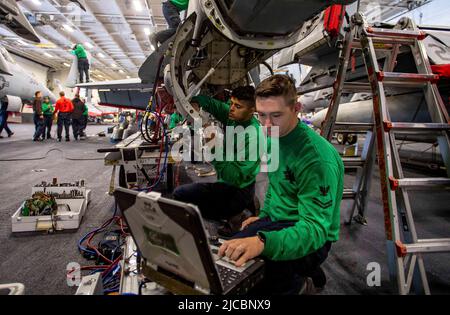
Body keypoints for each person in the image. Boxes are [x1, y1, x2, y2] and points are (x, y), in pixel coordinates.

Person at [218, 75, 344, 295]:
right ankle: (305, 272)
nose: (266, 125)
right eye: (261, 115)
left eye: (276, 115)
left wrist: (263, 242)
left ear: (296, 108)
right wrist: (264, 215)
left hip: (311, 234)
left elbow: (314, 230)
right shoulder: (273, 136)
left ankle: (300, 282)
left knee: (259, 279)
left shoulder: (316, 160)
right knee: (231, 253)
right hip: (278, 220)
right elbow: (276, 185)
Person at [173, 86, 261, 223]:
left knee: (181, 195)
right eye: (231, 103)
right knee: (183, 193)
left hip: (237, 190)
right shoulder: (234, 116)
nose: (231, 108)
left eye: (238, 106)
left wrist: (214, 147)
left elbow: (233, 177)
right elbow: (211, 103)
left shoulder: (254, 138)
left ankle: (237, 214)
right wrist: (196, 102)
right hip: (226, 182)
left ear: (252, 111)